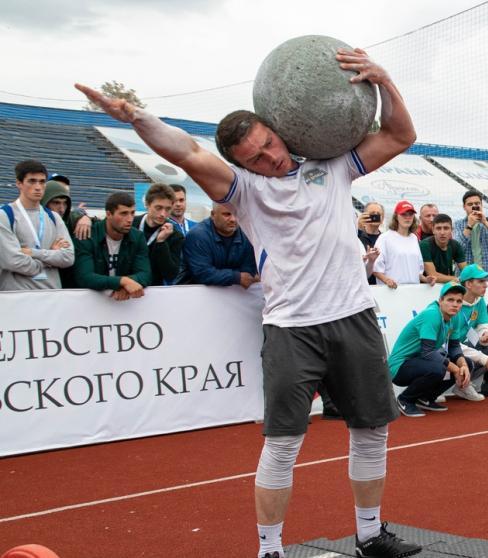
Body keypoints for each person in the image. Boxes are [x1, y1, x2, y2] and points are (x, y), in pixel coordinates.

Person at [76, 45, 422, 558]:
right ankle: (270, 550)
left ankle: (370, 535)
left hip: (354, 317)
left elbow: (400, 135)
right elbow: (185, 153)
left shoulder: (333, 167)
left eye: (270, 144)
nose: (271, 158)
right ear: (241, 165)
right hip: (291, 329)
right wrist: (135, 116)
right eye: (255, 157)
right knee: (283, 444)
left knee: (371, 432)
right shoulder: (245, 190)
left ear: (280, 128)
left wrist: (383, 79)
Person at [389, 281, 473, 417]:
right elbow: (427, 351)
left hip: (420, 361)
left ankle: (425, 398)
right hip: (399, 367)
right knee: (438, 367)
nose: (455, 304)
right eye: (450, 300)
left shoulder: (455, 317)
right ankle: (405, 399)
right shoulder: (432, 314)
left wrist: (462, 365)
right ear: (440, 301)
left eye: (459, 301)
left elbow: (454, 346)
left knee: (468, 363)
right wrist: (455, 369)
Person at [0, 160, 74, 290]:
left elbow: (68, 258)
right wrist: (50, 257)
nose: (38, 187)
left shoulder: (54, 217)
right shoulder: (5, 215)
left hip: (51, 295)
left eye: (42, 181)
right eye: (32, 181)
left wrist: (33, 253)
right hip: (17, 297)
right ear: (19, 183)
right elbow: (13, 261)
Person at [71, 192, 151, 300]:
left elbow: (145, 274)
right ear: (108, 214)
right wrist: (122, 281)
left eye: (132, 213)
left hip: (123, 305)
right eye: (124, 213)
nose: (130, 219)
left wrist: (125, 285)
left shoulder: (137, 237)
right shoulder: (87, 234)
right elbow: (84, 277)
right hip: (89, 304)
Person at [450, 264, 488, 401]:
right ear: (468, 284)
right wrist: (482, 357)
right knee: (476, 357)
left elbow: (484, 324)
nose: (486, 285)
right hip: (447, 346)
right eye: (481, 281)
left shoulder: (479, 301)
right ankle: (437, 388)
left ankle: (463, 385)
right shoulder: (453, 303)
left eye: (485, 281)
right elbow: (449, 343)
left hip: (464, 343)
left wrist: (485, 335)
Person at [180, 203, 258, 288]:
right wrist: (237, 277)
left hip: (233, 294)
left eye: (236, 214)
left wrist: (233, 276)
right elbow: (202, 273)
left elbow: (249, 271)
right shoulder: (197, 236)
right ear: (213, 215)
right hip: (191, 294)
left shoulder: (247, 234)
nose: (233, 219)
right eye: (227, 214)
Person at [373, 200, 435, 288]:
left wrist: (426, 279)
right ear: (396, 217)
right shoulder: (385, 238)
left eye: (410, 214)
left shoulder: (414, 238)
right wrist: (386, 280)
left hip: (412, 291)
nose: (408, 217)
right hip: (391, 292)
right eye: (404, 214)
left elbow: (417, 271)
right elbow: (375, 268)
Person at [138, 183, 185, 286]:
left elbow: (170, 275)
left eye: (168, 209)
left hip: (154, 293)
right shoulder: (132, 225)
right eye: (158, 208)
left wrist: (161, 242)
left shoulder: (175, 235)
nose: (163, 214)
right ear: (147, 204)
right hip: (127, 289)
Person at [420, 213, 466, 283]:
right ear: (433, 230)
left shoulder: (455, 245)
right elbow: (433, 276)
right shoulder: (424, 245)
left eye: (446, 228)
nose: (442, 232)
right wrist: (456, 279)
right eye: (438, 228)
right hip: (426, 288)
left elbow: (466, 271)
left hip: (447, 288)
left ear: (451, 230)